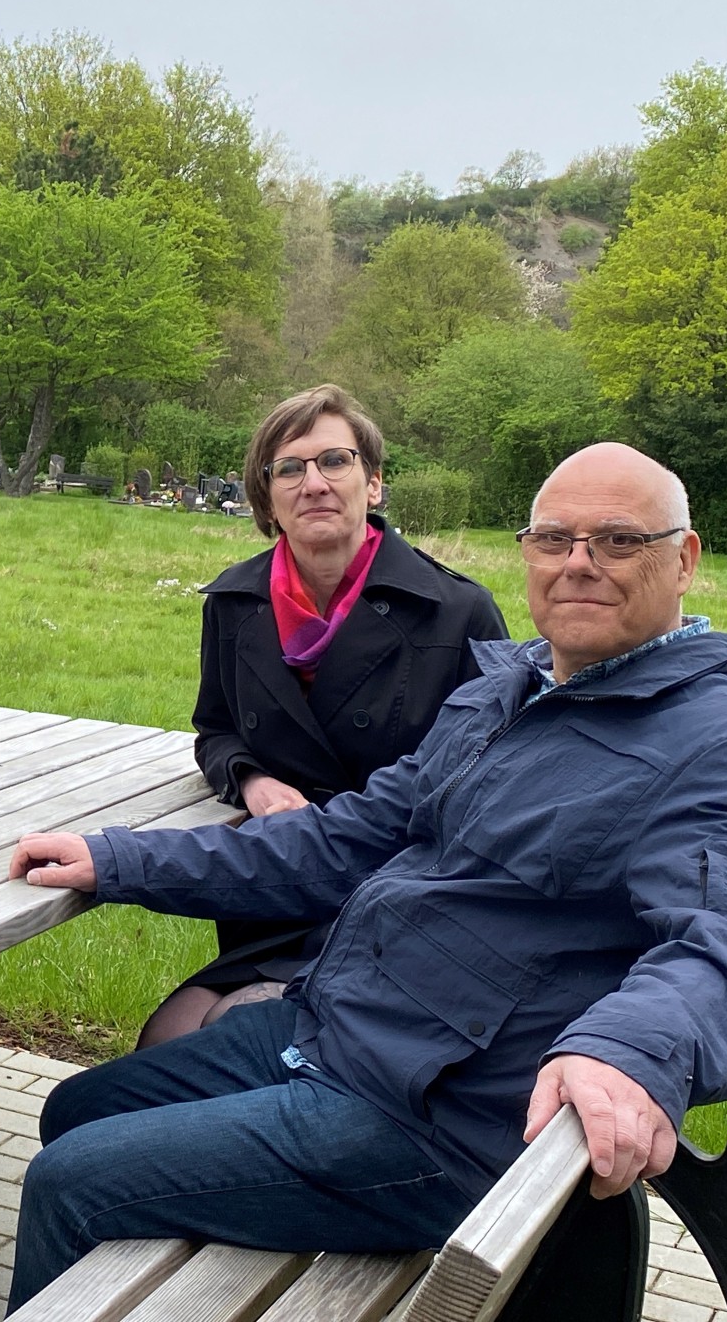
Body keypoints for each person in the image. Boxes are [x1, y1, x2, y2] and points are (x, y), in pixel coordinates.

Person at [5, 442, 727, 1310]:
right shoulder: (508, 693)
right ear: (526, 554)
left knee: (74, 1180)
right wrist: (119, 860)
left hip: (440, 1120)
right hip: (338, 1029)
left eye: (618, 541)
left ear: (683, 560)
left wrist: (626, 1052)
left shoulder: (724, 752)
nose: (579, 564)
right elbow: (346, 837)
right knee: (79, 1111)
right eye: (554, 539)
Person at [146, 386, 507, 1047]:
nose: (313, 483)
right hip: (277, 888)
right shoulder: (234, 604)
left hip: (397, 899)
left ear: (373, 485)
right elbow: (216, 729)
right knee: (167, 1032)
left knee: (234, 1030)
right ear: (268, 497)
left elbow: (492, 785)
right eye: (290, 468)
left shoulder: (457, 612)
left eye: (334, 461)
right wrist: (250, 779)